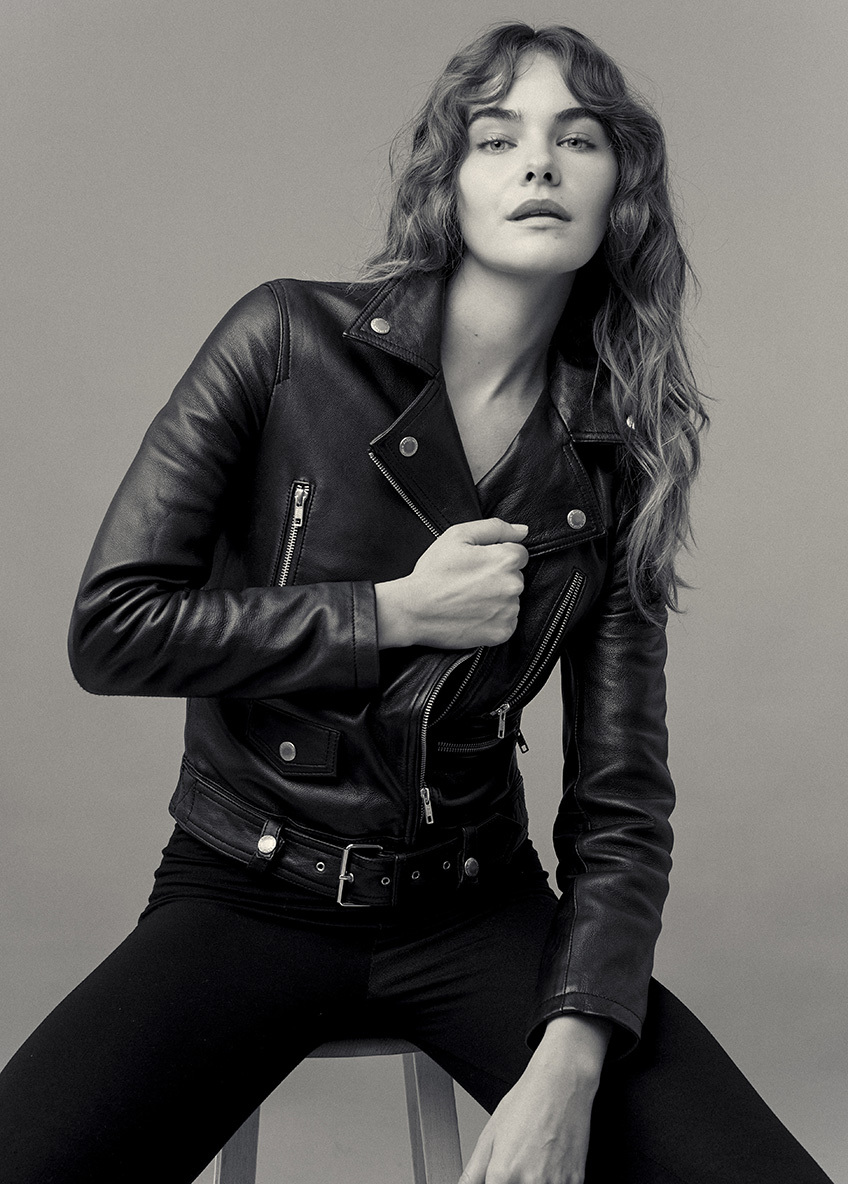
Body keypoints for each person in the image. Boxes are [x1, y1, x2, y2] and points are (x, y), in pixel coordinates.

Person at [0, 22, 833, 1184]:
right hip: (248, 886)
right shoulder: (284, 341)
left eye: (576, 139)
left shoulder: (613, 461)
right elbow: (112, 626)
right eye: (497, 138)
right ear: (449, 182)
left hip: (474, 910)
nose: (537, 162)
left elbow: (619, 800)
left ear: (619, 191)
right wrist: (391, 611)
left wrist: (568, 1057)